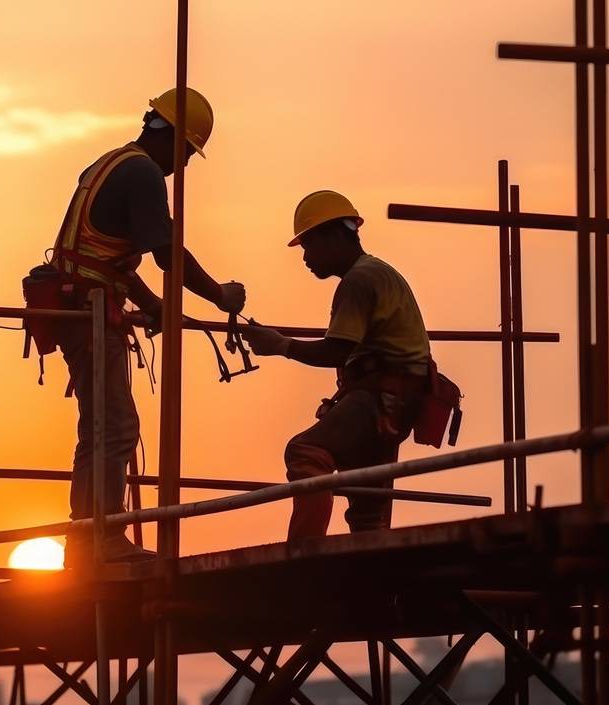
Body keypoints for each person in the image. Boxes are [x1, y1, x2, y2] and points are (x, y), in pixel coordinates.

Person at [50, 88, 245, 567]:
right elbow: (167, 253)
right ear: (176, 142)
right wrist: (220, 294)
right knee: (116, 426)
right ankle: (104, 540)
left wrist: (154, 305)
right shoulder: (142, 173)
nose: (184, 166)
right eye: (188, 155)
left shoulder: (110, 163)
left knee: (97, 427)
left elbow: (106, 258)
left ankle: (85, 539)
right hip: (90, 311)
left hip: (81, 303)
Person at [242, 190, 430, 540]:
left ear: (332, 236)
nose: (306, 257)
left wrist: (280, 345)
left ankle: (303, 557)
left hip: (379, 398)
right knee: (366, 500)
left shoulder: (360, 280)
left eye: (309, 245)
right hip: (397, 400)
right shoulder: (378, 273)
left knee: (306, 453)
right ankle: (369, 575)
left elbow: (337, 351)